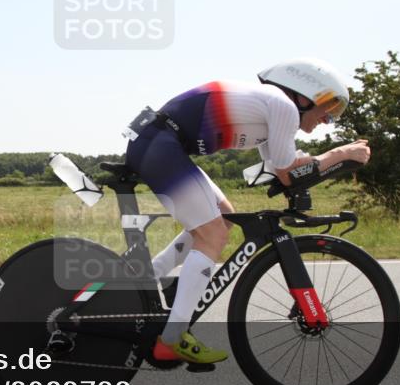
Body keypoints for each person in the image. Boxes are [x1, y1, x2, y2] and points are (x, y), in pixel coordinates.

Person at [122, 58, 371, 365]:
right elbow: (288, 173)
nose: (328, 120)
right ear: (306, 95)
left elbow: (283, 166)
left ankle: (146, 277)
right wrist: (342, 153)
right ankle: (171, 339)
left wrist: (321, 163)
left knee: (223, 220)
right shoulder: (284, 107)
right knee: (211, 233)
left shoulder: (275, 110)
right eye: (329, 108)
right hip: (160, 144)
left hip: (160, 142)